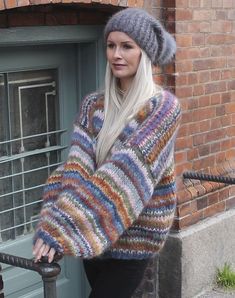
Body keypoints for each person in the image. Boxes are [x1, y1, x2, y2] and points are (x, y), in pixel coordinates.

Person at [33, 7, 181, 298]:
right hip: (94, 237)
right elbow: (77, 167)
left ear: (145, 54)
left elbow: (126, 173)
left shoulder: (162, 108)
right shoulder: (93, 105)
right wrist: (55, 220)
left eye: (127, 46)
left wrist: (63, 223)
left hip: (134, 240)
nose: (116, 54)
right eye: (111, 45)